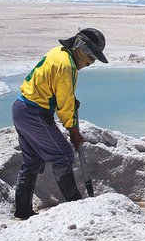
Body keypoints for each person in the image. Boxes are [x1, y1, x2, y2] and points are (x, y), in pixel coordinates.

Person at [10, 27, 108, 220]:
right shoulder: (67, 66)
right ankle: (76, 206)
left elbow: (57, 90)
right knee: (62, 154)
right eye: (90, 57)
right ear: (80, 48)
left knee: (32, 160)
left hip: (21, 108)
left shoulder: (59, 53)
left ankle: (23, 211)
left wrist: (70, 98)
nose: (91, 62)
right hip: (35, 112)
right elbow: (64, 106)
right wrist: (74, 132)